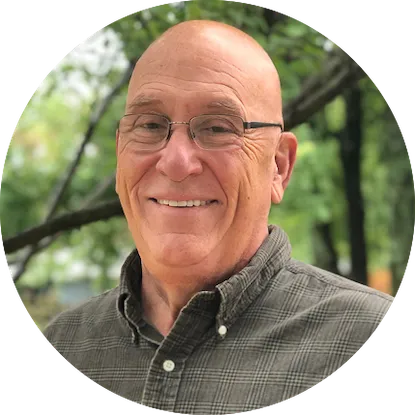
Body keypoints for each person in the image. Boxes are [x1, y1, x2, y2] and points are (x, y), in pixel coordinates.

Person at [42, 19, 395, 415]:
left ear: (278, 167)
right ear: (121, 150)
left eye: (216, 128)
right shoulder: (65, 344)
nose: (176, 162)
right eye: (151, 125)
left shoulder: (363, 337)